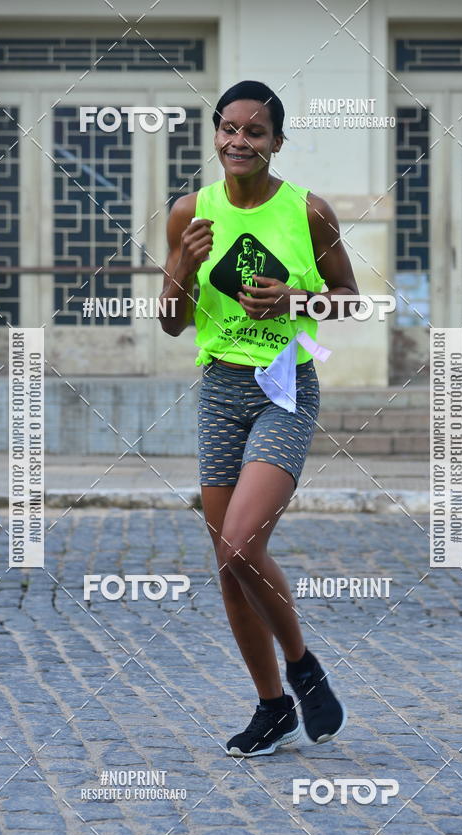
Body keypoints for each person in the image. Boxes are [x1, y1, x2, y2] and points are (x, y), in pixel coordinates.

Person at [158, 80, 360, 757]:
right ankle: (272, 708)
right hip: (220, 390)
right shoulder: (189, 212)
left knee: (243, 543)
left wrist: (295, 300)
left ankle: (303, 667)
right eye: (229, 128)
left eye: (255, 131)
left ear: (277, 142)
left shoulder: (309, 211)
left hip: (285, 388)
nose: (239, 140)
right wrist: (181, 267)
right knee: (227, 564)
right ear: (215, 135)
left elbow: (350, 299)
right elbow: (170, 324)